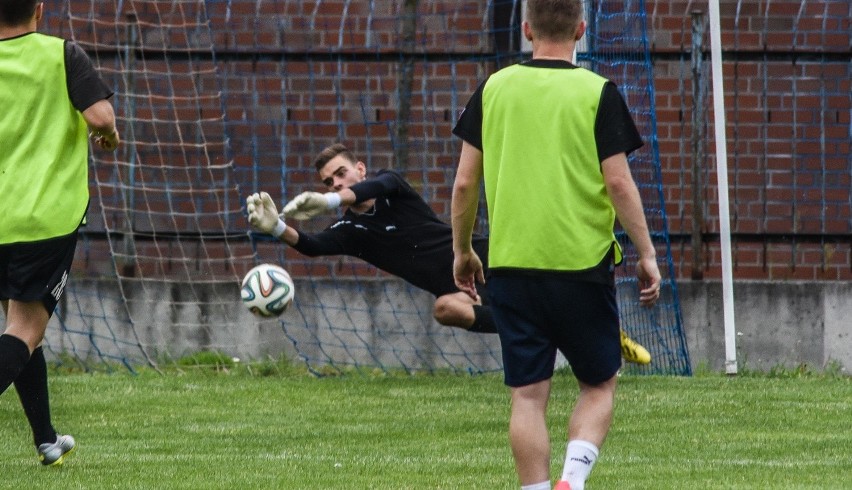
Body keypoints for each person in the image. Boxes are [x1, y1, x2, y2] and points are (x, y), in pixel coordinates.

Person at [449, 0, 662, 489]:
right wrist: (646, 253)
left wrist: (463, 251)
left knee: (527, 396)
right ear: (581, 30)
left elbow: (464, 185)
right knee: (599, 383)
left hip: (511, 266)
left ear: (526, 29)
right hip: (581, 265)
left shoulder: (494, 87)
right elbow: (619, 183)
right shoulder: (597, 92)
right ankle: (572, 479)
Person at [245, 143, 651, 363]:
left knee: (562, 292)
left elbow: (373, 190)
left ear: (360, 169)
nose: (335, 183)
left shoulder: (390, 185)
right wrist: (276, 228)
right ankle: (550, 332)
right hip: (458, 289)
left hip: (483, 258)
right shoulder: (351, 231)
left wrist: (329, 202)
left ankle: (603, 332)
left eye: (340, 174)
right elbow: (314, 247)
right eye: (327, 181)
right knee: (445, 310)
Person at [0, 0, 119, 466]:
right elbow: (101, 119)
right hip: (43, 219)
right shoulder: (61, 54)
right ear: (40, 9)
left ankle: (47, 439)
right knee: (25, 332)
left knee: (21, 326)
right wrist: (110, 138)